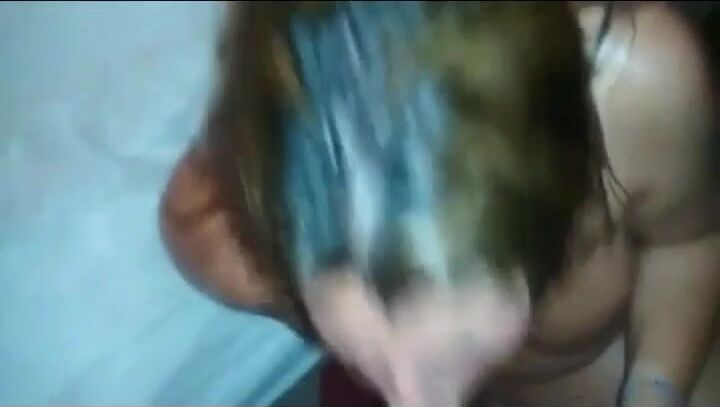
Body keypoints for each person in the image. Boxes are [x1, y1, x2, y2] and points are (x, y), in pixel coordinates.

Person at [159, 2, 720, 406]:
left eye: (459, 351)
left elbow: (689, 246)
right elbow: (190, 217)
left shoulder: (643, 90)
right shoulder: (233, 215)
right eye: (368, 358)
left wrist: (655, 387)